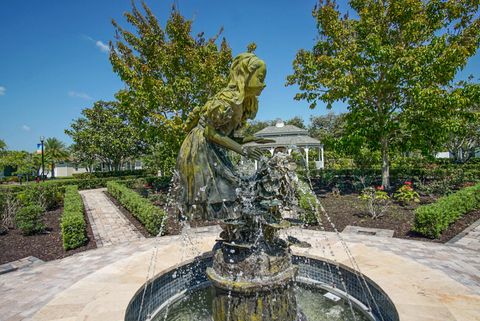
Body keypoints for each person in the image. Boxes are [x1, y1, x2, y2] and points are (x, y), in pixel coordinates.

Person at [176, 53, 271, 220]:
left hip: (213, 145)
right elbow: (210, 133)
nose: (263, 84)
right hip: (200, 147)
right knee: (224, 193)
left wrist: (251, 139)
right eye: (260, 77)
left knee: (235, 190)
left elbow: (227, 137)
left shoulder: (244, 103)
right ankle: (233, 235)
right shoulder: (227, 100)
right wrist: (244, 151)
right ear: (246, 76)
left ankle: (237, 235)